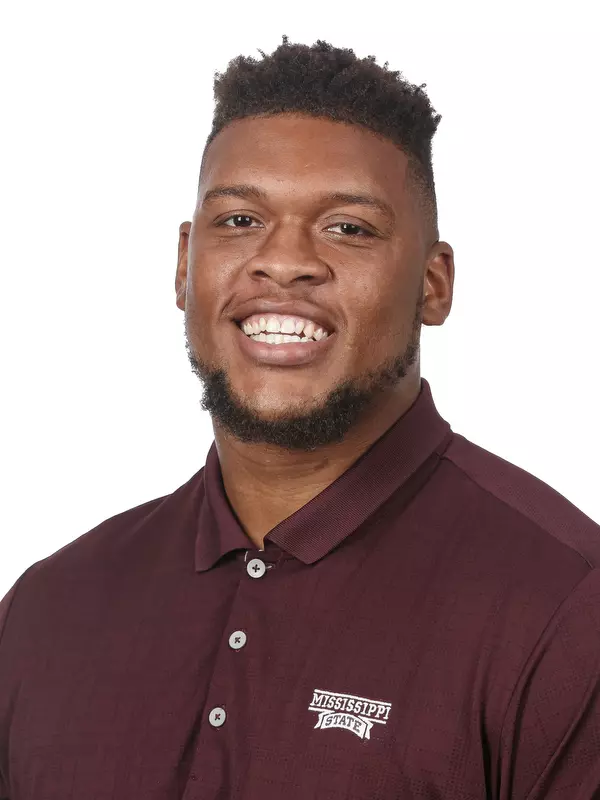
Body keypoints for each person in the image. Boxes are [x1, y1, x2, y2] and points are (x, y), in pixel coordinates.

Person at [1, 36, 599, 800]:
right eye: (239, 219)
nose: (283, 262)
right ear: (184, 265)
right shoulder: (45, 611)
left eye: (348, 228)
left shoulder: (567, 610)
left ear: (434, 284)